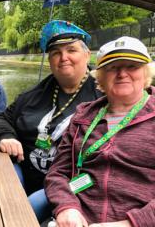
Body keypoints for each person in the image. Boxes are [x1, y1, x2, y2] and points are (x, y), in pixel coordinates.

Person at [0, 20, 103, 223]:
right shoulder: (34, 94)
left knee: (32, 204)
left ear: (87, 54)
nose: (63, 58)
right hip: (27, 173)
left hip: (78, 181)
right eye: (56, 53)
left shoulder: (105, 94)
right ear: (50, 60)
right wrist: (6, 136)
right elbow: (1, 120)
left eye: (71, 50)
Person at [45, 36, 155, 227]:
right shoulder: (82, 116)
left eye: (132, 66)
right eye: (112, 67)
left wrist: (129, 224)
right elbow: (57, 173)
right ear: (100, 77)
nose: (122, 73)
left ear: (146, 73)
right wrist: (66, 207)